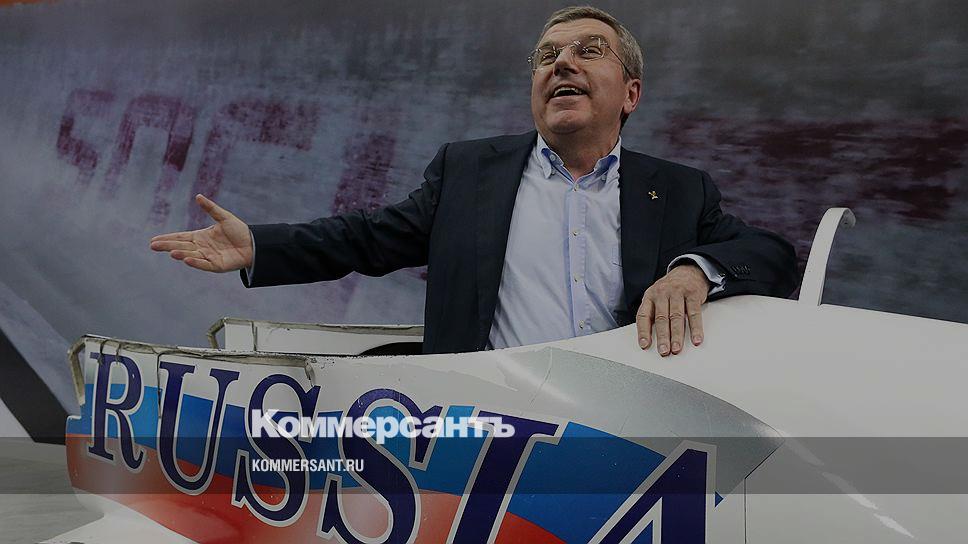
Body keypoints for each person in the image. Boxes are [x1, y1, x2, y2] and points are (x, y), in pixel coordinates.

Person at [150, 6, 797, 356]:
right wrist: (259, 246)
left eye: (587, 51)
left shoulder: (680, 190)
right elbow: (366, 238)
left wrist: (692, 273)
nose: (561, 63)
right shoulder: (468, 172)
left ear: (631, 93)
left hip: (624, 437)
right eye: (547, 56)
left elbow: (770, 254)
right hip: (487, 427)